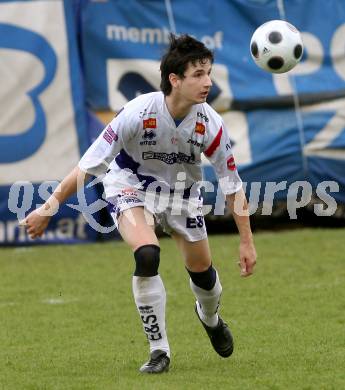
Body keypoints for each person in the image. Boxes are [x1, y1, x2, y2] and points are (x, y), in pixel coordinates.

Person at [23, 34, 257, 374]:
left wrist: (247, 241)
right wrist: (49, 206)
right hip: (130, 187)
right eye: (198, 74)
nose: (208, 82)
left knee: (203, 275)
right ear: (174, 79)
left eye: (209, 73)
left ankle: (210, 318)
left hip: (182, 195)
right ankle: (159, 350)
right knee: (147, 254)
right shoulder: (137, 112)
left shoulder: (211, 124)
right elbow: (89, 166)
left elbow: (232, 186)